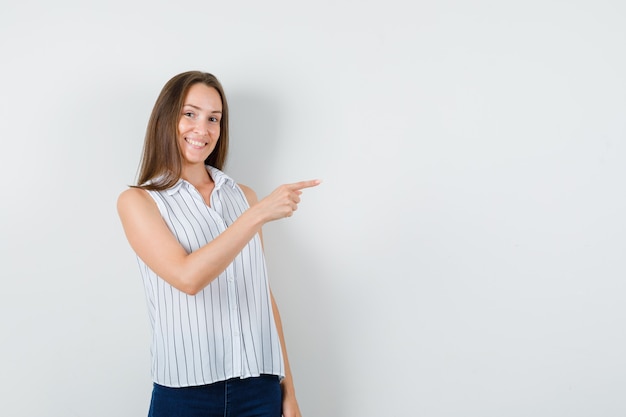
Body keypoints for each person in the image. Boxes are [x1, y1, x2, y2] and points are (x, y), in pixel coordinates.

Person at [117, 71, 319, 417]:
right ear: (168, 119)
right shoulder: (139, 202)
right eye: (190, 114)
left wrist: (289, 392)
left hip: (260, 389)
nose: (203, 129)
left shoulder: (244, 197)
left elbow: (263, 298)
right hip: (184, 396)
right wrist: (257, 215)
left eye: (214, 119)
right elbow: (187, 277)